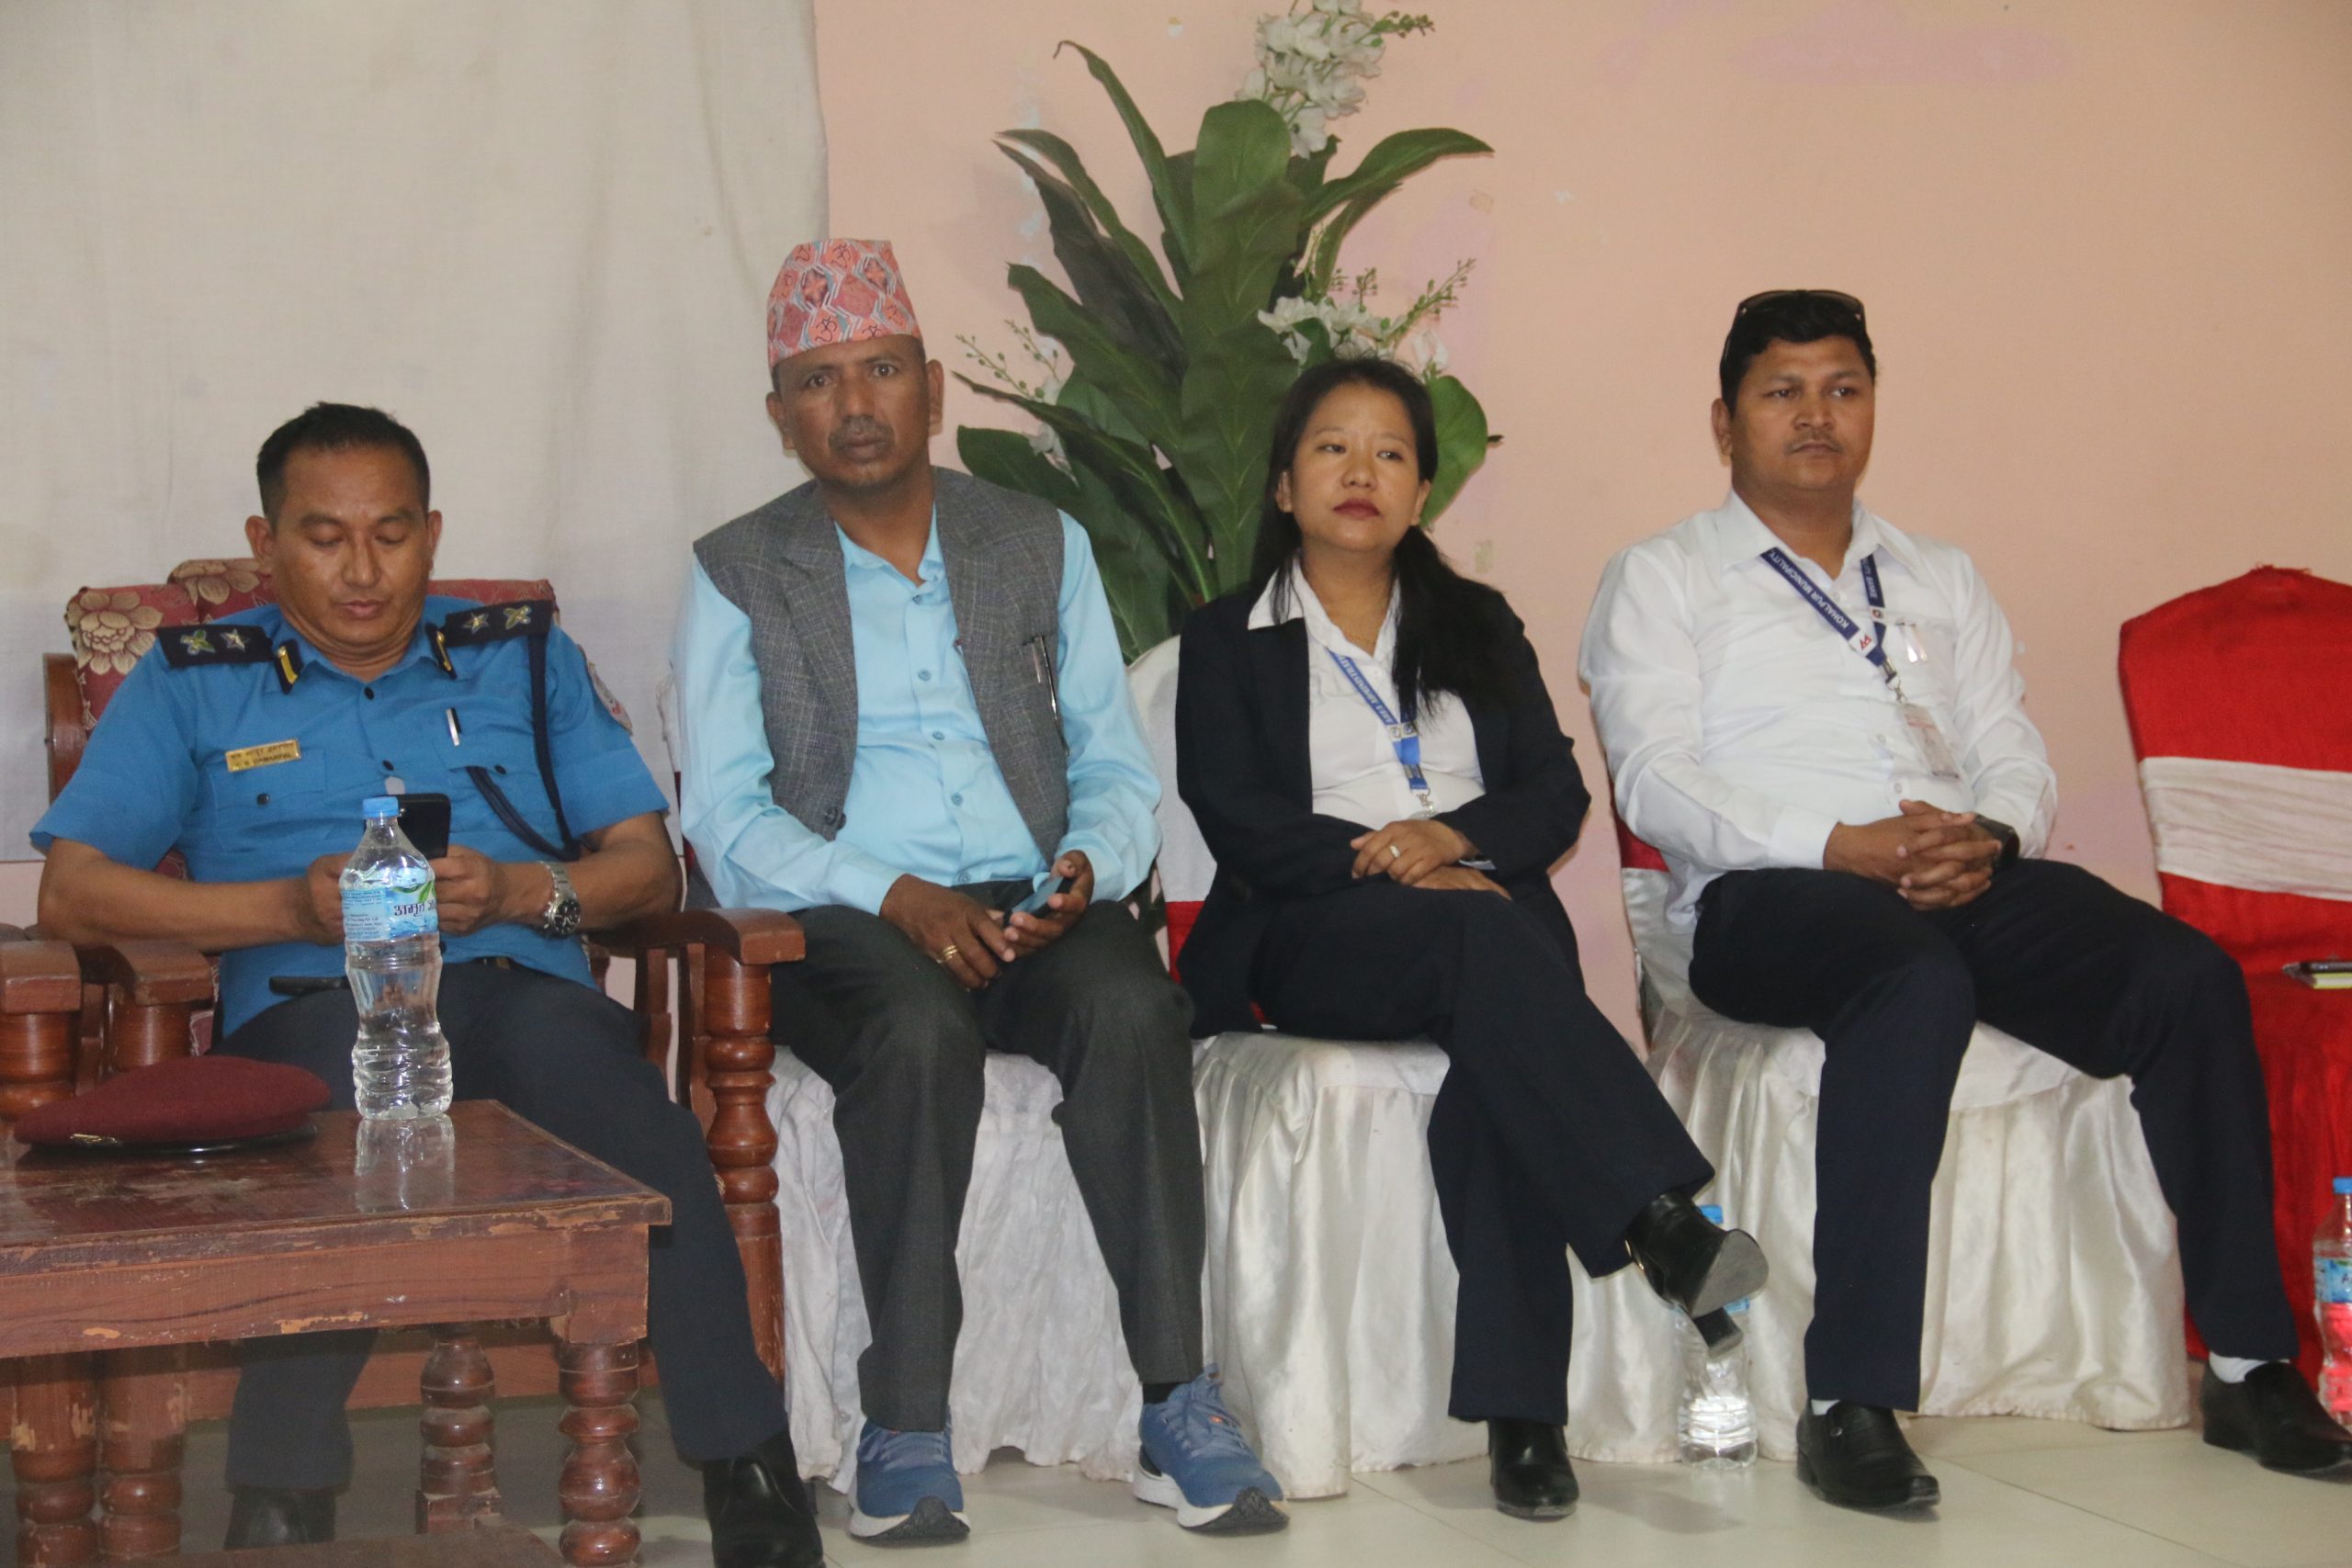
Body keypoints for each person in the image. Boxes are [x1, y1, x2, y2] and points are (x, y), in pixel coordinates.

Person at [1578, 290, 2352, 1511]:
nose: (1817, 415)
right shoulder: (1662, 575)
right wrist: (1843, 845)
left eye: (1843, 389)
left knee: (2186, 977)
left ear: (1872, 407)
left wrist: (1987, 837)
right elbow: (1657, 780)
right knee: (1910, 978)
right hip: (1771, 893)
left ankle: (2252, 1365)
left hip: (1955, 870)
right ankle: (1850, 1397)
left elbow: (2010, 751)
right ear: (1725, 423)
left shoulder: (1936, 572)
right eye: (1783, 392)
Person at [32, 404, 824, 1568]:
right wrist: (284, 910)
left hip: (510, 983)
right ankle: (282, 1497)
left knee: (632, 1120)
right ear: (265, 543)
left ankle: (749, 1467)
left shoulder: (522, 656)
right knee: (321, 1139)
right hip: (308, 1004)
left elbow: (645, 867)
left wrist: (517, 892)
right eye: (325, 538)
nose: (363, 571)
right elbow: (75, 893)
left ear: (433, 533)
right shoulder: (198, 680)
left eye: (391, 535)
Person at [672, 239, 1284, 1543]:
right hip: (843, 916)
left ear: (933, 386)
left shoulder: (1036, 541)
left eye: (882, 370)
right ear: (781, 414)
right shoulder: (737, 569)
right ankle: (904, 1422)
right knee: (915, 1031)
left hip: (1031, 895)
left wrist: (1089, 863)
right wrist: (891, 893)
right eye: (819, 380)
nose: (855, 403)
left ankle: (1177, 1403)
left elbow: (1113, 763)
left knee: (1132, 1008)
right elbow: (725, 818)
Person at [1174, 356, 1770, 1521]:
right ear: (1284, 486)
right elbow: (1236, 815)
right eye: (1332, 448)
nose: (1361, 470)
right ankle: (1657, 1220)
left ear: (1420, 494)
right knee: (1486, 953)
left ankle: (1524, 1421)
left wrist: (1451, 838)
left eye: (1390, 453)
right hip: (1313, 927)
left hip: (1479, 919)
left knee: (1494, 1058)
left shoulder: (1476, 623)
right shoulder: (1227, 637)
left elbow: (1553, 794)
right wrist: (1389, 856)